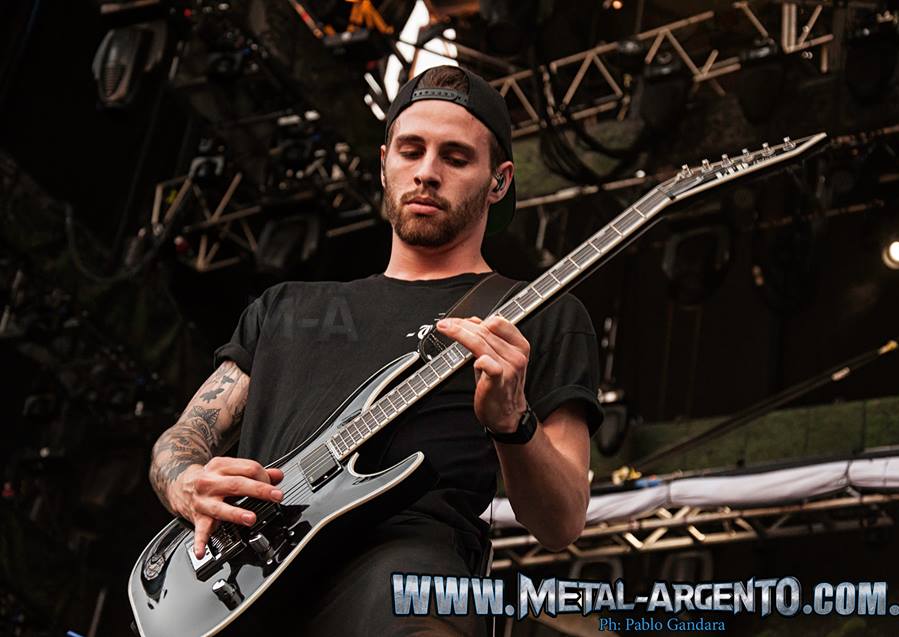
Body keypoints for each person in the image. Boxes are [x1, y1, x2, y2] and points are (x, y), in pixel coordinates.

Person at [148, 65, 602, 635]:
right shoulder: (285, 306)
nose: (427, 172)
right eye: (411, 151)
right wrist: (186, 482)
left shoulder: (539, 313)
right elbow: (184, 438)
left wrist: (514, 424)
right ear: (384, 161)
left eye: (456, 157)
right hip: (249, 581)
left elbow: (562, 522)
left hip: (404, 577)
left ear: (499, 180)